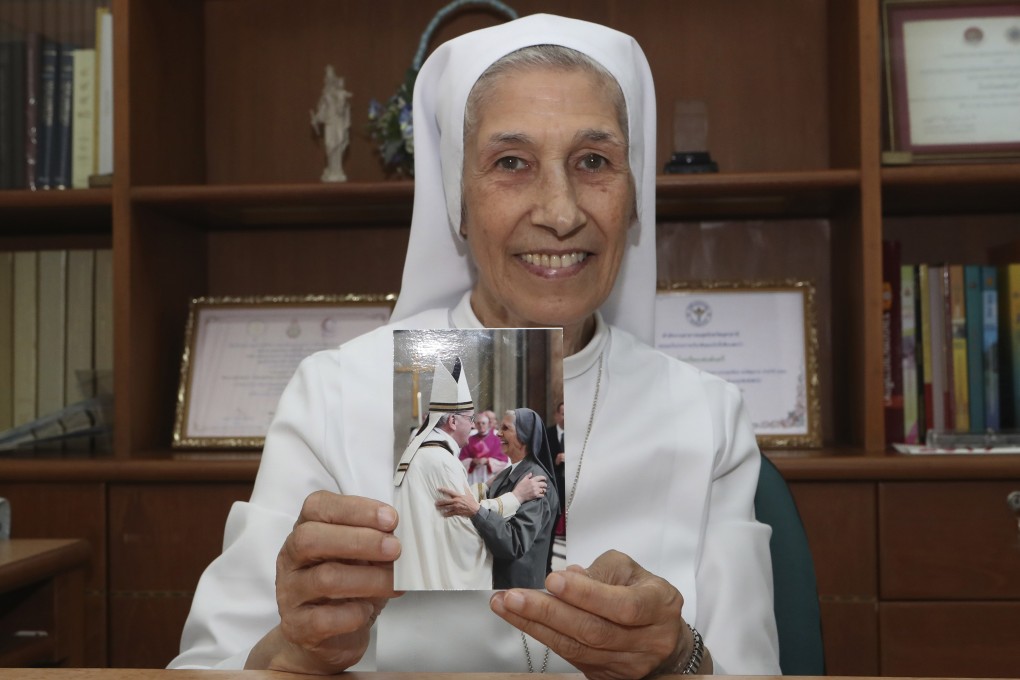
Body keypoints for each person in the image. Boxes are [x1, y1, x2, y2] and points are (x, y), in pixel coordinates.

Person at [170, 13, 779, 677]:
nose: (561, 210)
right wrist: (296, 650)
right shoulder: (336, 394)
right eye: (511, 163)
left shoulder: (707, 416)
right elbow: (207, 665)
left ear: (635, 200)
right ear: (457, 203)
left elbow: (750, 669)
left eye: (594, 161)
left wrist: (678, 660)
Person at [393, 358, 546, 590]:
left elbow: (451, 503)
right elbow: (463, 528)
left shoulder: (430, 452)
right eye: (470, 419)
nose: (473, 426)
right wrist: (516, 497)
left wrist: (484, 487)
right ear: (453, 421)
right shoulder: (441, 460)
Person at [468, 408, 560, 588]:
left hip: (519, 584)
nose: (498, 433)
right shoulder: (509, 472)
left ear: (524, 436)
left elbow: (515, 542)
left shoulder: (535, 481)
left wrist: (477, 513)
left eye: (506, 428)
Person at [310, 65, 351, 182]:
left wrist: (340, 102)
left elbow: (342, 110)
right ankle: (332, 169)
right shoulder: (325, 96)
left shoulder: (339, 95)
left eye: (328, 78)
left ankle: (337, 169)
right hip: (329, 123)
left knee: (338, 145)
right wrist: (316, 120)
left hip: (337, 122)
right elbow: (322, 112)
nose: (326, 81)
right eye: (326, 79)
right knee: (330, 146)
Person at [459, 411, 508, 485]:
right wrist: (472, 461)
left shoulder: (496, 440)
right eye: (478, 423)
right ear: (475, 425)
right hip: (473, 476)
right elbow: (462, 459)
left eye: (483, 423)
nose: (481, 425)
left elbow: (503, 461)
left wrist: (487, 461)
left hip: (489, 475)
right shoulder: (469, 439)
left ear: (488, 424)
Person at [547, 401, 566, 537]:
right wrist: (555, 461)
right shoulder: (548, 434)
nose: (566, 417)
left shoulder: (578, 434)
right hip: (555, 483)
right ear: (557, 415)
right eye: (564, 414)